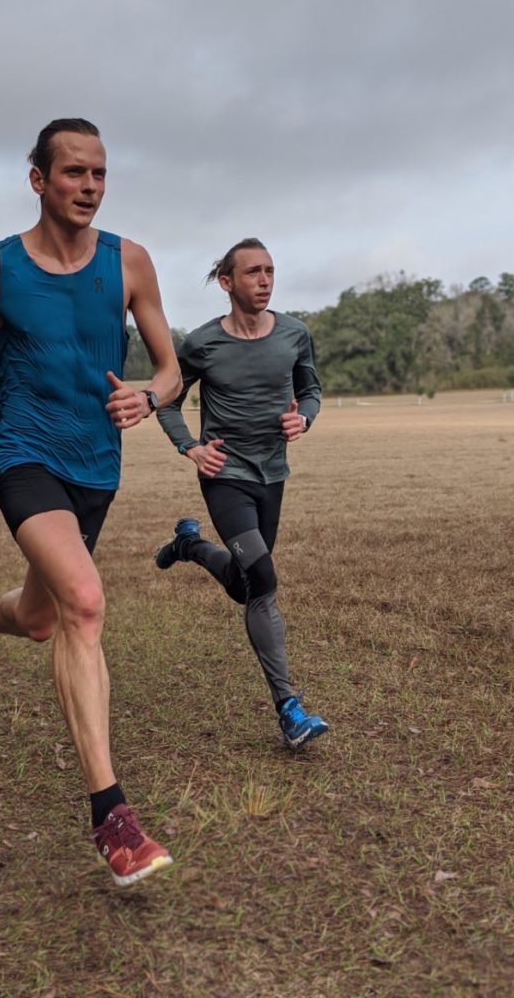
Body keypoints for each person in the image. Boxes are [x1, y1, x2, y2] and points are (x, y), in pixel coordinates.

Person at [0, 118, 182, 887]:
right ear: (37, 178)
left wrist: (147, 396)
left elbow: (169, 369)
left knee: (40, 619)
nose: (90, 187)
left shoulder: (129, 262)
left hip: (95, 467)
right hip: (22, 455)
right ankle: (113, 817)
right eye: (73, 173)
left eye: (99, 174)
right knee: (86, 603)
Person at [154, 238, 329, 749]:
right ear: (227, 283)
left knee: (243, 585)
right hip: (224, 476)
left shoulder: (295, 334)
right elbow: (168, 402)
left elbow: (311, 390)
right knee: (264, 581)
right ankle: (289, 708)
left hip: (272, 475)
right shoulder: (202, 344)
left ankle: (189, 546)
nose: (265, 280)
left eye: (270, 270)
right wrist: (190, 447)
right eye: (253, 272)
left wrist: (305, 417)